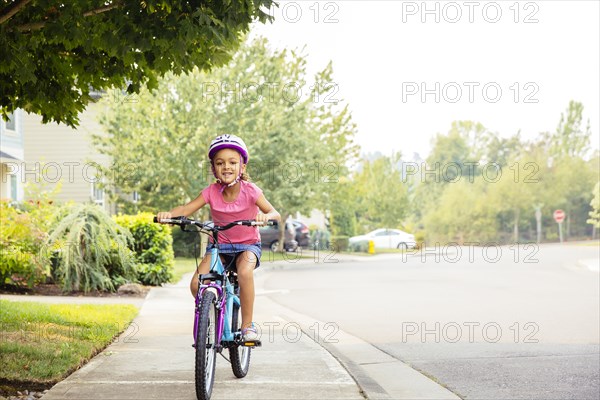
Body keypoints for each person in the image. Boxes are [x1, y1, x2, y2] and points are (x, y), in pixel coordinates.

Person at [156, 134, 280, 341]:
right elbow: (187, 209)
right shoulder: (211, 191)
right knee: (196, 284)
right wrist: (169, 215)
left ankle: (248, 326)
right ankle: (214, 309)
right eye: (220, 163)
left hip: (248, 245)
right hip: (219, 247)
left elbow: (275, 213)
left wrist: (265, 217)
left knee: (244, 272)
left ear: (242, 167)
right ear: (213, 168)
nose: (227, 167)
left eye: (233, 162)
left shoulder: (251, 191)